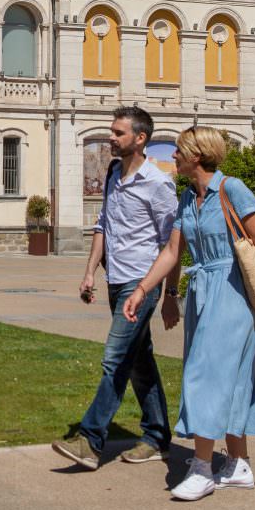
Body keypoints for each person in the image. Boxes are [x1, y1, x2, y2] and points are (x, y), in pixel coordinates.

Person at [122, 126, 255, 501]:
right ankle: (239, 463)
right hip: (202, 293)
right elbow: (172, 253)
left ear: (197, 156)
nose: (173, 157)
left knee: (205, 375)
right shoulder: (186, 198)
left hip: (231, 293)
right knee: (226, 377)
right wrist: (151, 291)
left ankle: (202, 468)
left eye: (179, 151)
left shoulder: (232, 189)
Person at [52, 106, 179, 470]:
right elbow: (103, 225)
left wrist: (169, 295)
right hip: (116, 280)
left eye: (118, 133)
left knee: (115, 358)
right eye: (111, 131)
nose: (111, 137)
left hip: (143, 284)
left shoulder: (158, 184)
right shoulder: (112, 173)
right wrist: (90, 271)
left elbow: (173, 245)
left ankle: (91, 441)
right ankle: (157, 437)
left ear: (140, 139)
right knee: (140, 363)